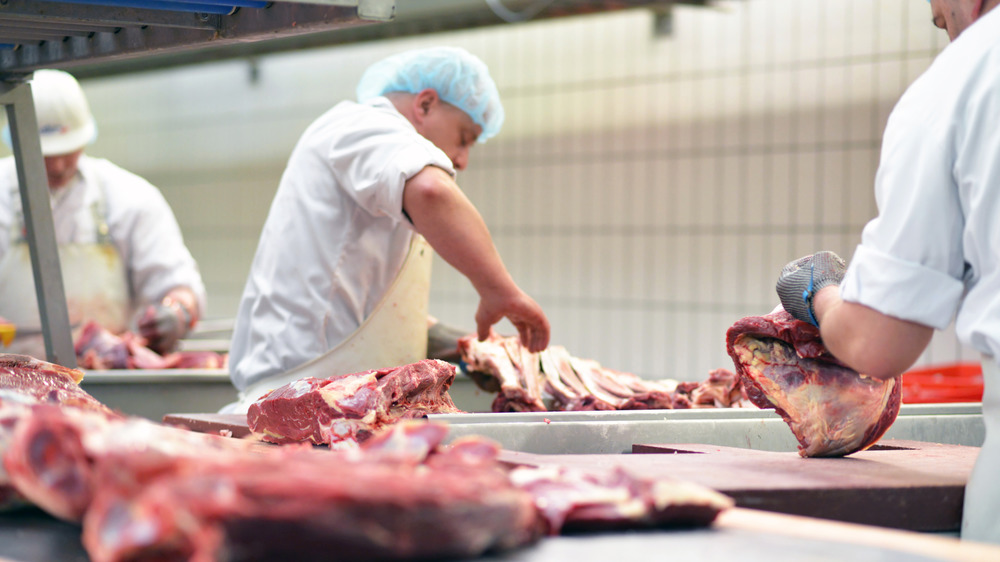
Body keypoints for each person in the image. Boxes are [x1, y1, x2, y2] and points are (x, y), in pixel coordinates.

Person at [775, 0, 1000, 545]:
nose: (951, 36)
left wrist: (819, 290)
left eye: (943, 22)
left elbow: (877, 343)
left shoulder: (965, 75)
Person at [227, 46, 550, 411]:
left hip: (334, 403)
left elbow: (369, 305)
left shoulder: (379, 167)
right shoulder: (362, 125)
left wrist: (471, 347)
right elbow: (432, 191)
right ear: (425, 105)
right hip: (298, 404)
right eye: (464, 137)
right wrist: (500, 291)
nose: (462, 159)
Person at [0, 69, 206, 357]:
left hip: (107, 378)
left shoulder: (130, 197)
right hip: (11, 385)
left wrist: (177, 313)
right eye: (44, 154)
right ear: (18, 142)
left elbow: (179, 287)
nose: (58, 166)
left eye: (68, 150)